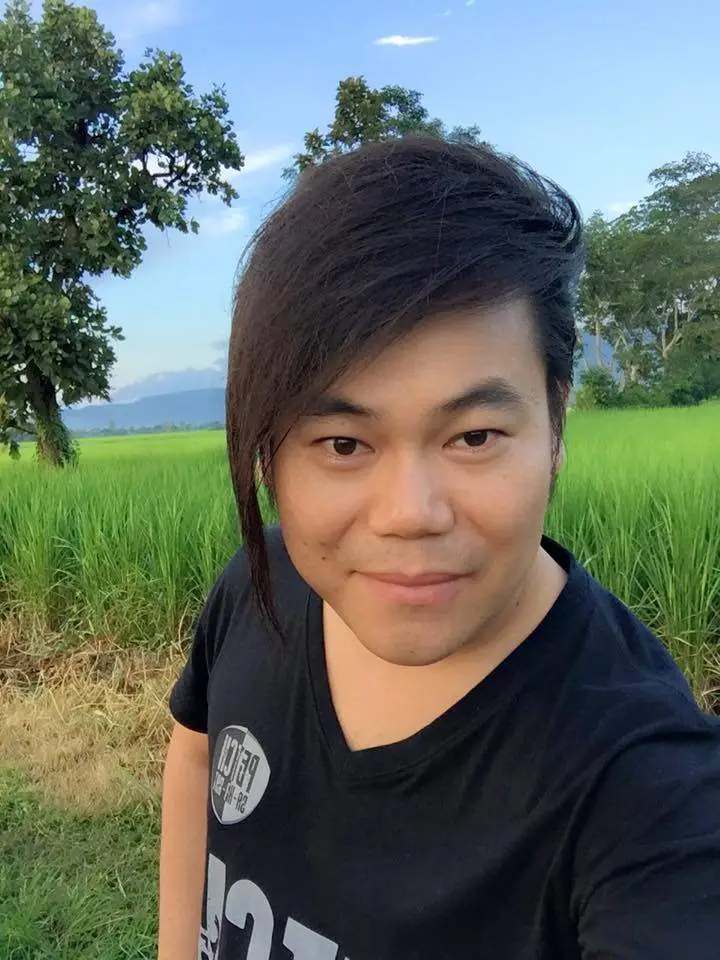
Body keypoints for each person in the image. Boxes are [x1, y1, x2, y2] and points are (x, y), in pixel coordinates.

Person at [158, 136, 720, 960]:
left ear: (556, 424)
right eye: (343, 444)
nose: (410, 515)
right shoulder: (260, 586)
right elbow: (197, 759)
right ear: (268, 454)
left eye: (474, 436)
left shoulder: (647, 792)